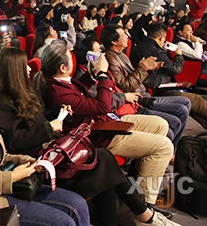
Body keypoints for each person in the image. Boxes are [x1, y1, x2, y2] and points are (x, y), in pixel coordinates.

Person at [0, 48, 181, 226]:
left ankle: (140, 214)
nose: (29, 69)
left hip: (58, 147)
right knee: (104, 160)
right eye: (24, 66)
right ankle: (144, 213)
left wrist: (58, 114)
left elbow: (40, 117)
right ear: (15, 70)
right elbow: (15, 140)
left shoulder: (27, 92)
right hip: (43, 160)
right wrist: (49, 127)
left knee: (105, 167)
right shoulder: (3, 102)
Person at [0, 65, 93, 226]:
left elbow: (1, 155)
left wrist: (27, 161)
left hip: (10, 181)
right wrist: (12, 177)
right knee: (64, 222)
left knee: (78, 204)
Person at [36, 40, 174, 207]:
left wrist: (92, 74)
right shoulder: (58, 94)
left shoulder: (59, 81)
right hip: (97, 134)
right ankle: (145, 205)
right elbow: (102, 106)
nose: (73, 61)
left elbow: (81, 94)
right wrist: (103, 74)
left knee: (160, 124)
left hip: (103, 122)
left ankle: (137, 182)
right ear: (63, 68)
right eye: (70, 59)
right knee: (164, 147)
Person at [96, 25, 191, 150]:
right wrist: (143, 69)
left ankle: (172, 150)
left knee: (185, 103)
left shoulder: (122, 55)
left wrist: (147, 69)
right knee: (180, 112)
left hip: (143, 94)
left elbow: (133, 78)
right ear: (114, 41)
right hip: (137, 100)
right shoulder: (110, 58)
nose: (126, 36)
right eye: (123, 34)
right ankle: (169, 151)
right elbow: (125, 86)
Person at [130, 23, 207, 130]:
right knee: (196, 100)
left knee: (192, 105)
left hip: (149, 85)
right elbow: (175, 69)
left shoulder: (139, 46)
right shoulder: (155, 51)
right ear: (161, 38)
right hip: (160, 88)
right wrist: (178, 55)